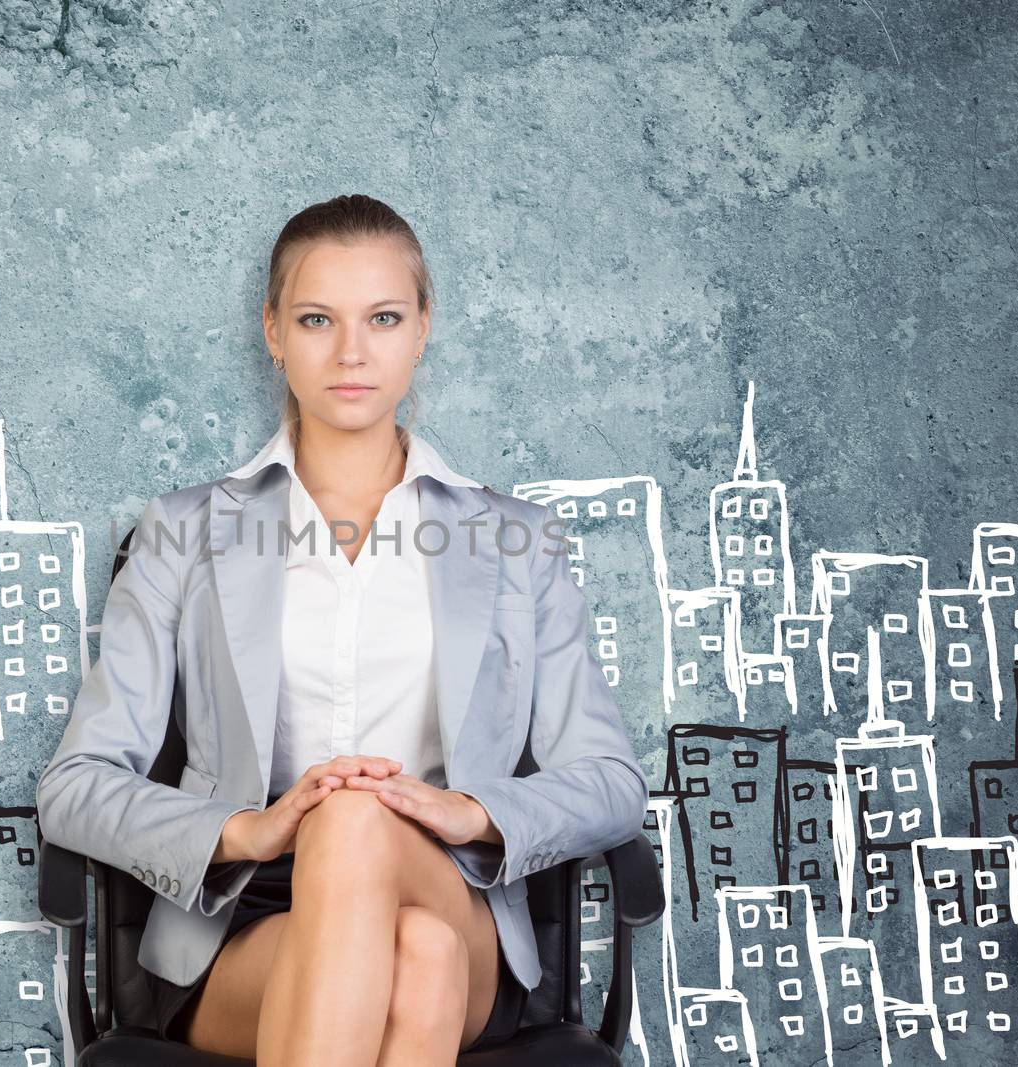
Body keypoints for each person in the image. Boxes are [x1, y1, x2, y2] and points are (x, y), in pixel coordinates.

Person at [36, 193, 649, 1066]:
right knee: (416, 958)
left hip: (453, 895)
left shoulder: (514, 540)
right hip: (238, 925)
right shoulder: (184, 531)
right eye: (318, 318)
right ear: (274, 331)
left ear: (423, 327)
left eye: (385, 317)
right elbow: (74, 785)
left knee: (362, 825)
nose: (353, 351)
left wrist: (469, 810)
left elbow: (612, 782)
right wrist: (247, 831)